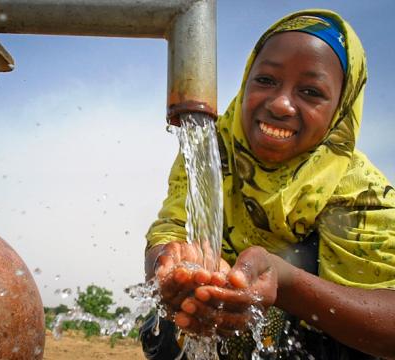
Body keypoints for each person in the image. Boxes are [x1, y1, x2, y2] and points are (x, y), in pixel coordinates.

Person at [142, 9, 395, 360]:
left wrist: (287, 282)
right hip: (207, 331)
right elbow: (170, 229)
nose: (280, 104)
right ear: (246, 79)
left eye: (310, 91)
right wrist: (168, 266)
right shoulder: (212, 150)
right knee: (168, 321)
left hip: (315, 347)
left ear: (342, 107)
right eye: (266, 80)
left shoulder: (362, 193)